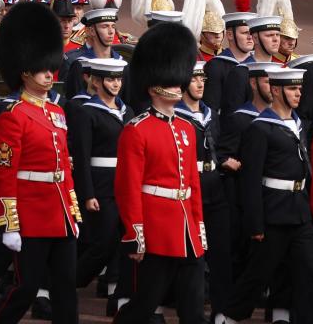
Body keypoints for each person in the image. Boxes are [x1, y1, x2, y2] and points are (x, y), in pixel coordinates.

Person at [0, 2, 79, 324]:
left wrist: (72, 211)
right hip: (31, 215)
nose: (50, 75)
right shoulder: (13, 116)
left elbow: (64, 167)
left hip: (60, 214)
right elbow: (3, 173)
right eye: (42, 70)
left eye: (51, 69)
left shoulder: (58, 114)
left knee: (66, 286)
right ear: (25, 72)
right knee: (26, 288)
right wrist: (9, 223)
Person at [113, 22, 206, 324]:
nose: (179, 86)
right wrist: (135, 234)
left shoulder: (186, 129)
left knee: (193, 307)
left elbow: (192, 183)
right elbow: (129, 187)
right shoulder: (136, 130)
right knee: (145, 304)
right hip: (156, 229)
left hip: (186, 230)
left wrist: (198, 226)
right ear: (154, 85)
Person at [221, 67, 313, 323]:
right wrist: (255, 224)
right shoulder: (260, 128)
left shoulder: (297, 124)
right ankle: (227, 318)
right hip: (272, 214)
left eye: (299, 88)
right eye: (292, 89)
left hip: (299, 212)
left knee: (307, 272)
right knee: (257, 275)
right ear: (275, 90)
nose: (299, 93)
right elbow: (250, 181)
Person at [67, 58, 131, 306]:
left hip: (124, 184)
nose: (115, 84)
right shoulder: (87, 112)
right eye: (110, 79)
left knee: (124, 241)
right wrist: (87, 193)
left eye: (118, 79)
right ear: (96, 81)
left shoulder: (128, 111)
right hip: (101, 185)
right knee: (103, 243)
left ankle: (117, 295)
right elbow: (82, 156)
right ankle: (69, 281)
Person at [175, 59, 232, 320]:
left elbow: (216, 147)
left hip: (214, 185)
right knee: (192, 256)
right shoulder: (176, 116)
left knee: (221, 253)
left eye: (202, 79)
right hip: (189, 186)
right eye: (194, 79)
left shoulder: (210, 113)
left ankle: (220, 311)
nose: (199, 84)